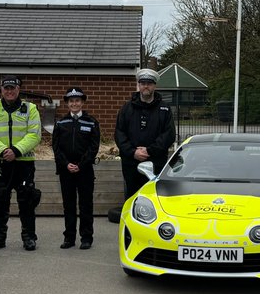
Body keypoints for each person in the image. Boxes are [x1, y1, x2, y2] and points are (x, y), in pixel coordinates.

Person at [0, 75, 43, 252]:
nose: (9, 91)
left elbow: (35, 134)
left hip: (24, 163)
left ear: (18, 89)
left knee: (27, 201)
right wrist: (2, 151)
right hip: (1, 163)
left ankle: (29, 237)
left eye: (12, 88)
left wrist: (16, 151)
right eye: (6, 88)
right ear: (1, 89)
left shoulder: (30, 109)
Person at [115, 68, 176, 203]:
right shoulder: (126, 108)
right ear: (139, 85)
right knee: (132, 198)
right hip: (131, 163)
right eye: (143, 83)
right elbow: (119, 133)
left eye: (149, 83)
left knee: (154, 199)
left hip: (156, 162)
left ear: (155, 85)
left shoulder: (164, 109)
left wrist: (149, 150)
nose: (146, 86)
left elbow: (169, 134)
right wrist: (133, 152)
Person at [52, 87, 100, 250]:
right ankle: (69, 238)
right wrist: (66, 164)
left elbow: (93, 148)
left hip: (84, 170)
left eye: (77, 100)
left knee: (86, 205)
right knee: (69, 205)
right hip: (66, 171)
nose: (74, 103)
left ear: (83, 102)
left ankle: (86, 237)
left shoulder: (91, 122)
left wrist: (81, 164)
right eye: (71, 101)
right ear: (67, 103)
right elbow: (56, 148)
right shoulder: (60, 123)